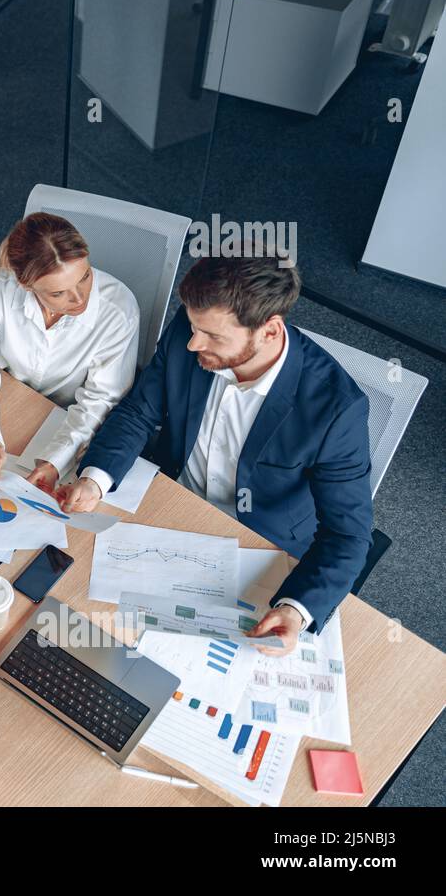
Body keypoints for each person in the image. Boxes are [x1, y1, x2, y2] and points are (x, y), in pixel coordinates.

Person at [59, 253, 373, 653]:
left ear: (270, 331)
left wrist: (295, 609)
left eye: (213, 336)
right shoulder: (191, 330)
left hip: (260, 544)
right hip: (170, 504)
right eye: (192, 327)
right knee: (90, 625)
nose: (193, 343)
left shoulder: (336, 409)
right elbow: (139, 411)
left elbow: (347, 535)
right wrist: (95, 479)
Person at [0, 212, 140, 491]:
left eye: (85, 276)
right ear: (25, 285)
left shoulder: (119, 310)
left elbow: (99, 402)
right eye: (58, 293)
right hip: (11, 400)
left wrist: (54, 462)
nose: (80, 297)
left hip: (68, 417)